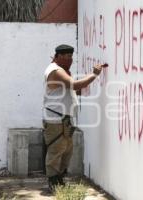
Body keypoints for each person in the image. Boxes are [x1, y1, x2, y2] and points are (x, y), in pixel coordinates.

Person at [42, 44, 106, 192]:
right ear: (58, 57)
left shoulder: (62, 70)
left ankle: (59, 179)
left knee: (66, 150)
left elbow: (68, 91)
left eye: (71, 57)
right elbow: (75, 85)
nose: (70, 60)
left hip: (65, 118)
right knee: (56, 150)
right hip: (55, 119)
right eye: (66, 57)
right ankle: (53, 181)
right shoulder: (55, 71)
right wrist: (94, 74)